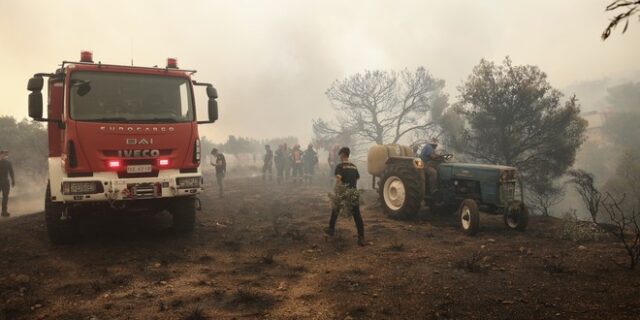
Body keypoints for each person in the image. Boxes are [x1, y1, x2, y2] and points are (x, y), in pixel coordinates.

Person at [326, 147, 365, 246]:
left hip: (343, 192)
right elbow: (357, 178)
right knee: (357, 215)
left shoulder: (340, 166)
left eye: (340, 155)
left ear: (342, 155)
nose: (339, 157)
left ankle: (331, 230)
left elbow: (338, 179)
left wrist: (336, 190)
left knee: (335, 209)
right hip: (353, 192)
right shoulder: (354, 166)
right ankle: (361, 238)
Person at [0, 150, 15, 217]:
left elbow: (11, 172)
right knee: (5, 197)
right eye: (1, 155)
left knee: (5, 197)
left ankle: (4, 211)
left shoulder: (8, 163)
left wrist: (13, 180)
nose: (2, 156)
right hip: (3, 182)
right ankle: (4, 211)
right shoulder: (7, 162)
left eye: (3, 155)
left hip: (5, 182)